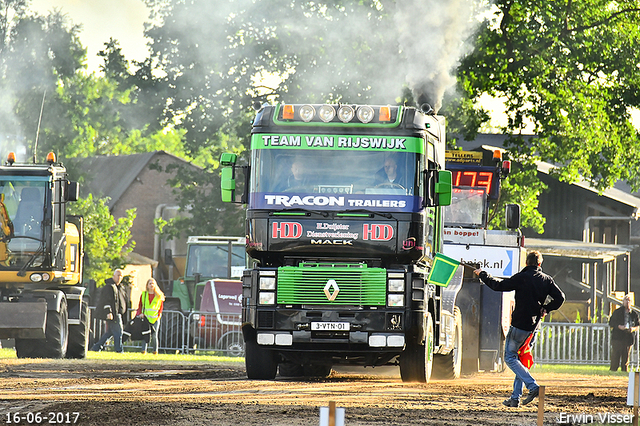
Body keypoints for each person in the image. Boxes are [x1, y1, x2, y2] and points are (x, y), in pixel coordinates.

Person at [473, 251, 565, 407]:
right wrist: (546, 308)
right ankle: (515, 398)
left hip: (519, 325)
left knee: (510, 357)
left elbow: (498, 286)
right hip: (533, 327)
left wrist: (483, 274)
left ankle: (533, 386)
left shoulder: (521, 277)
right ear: (540, 264)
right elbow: (561, 297)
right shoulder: (547, 280)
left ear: (527, 263)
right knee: (521, 361)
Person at [91, 269, 128, 353]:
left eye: (121, 275)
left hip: (118, 313)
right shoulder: (109, 287)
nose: (119, 277)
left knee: (109, 333)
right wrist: (109, 312)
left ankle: (96, 347)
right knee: (119, 331)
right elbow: (106, 301)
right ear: (113, 276)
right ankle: (119, 350)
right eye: (117, 275)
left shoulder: (120, 287)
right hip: (113, 314)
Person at [609, 294, 639, 372]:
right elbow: (611, 323)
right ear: (623, 302)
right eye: (626, 300)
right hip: (617, 337)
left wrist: (633, 329)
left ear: (631, 302)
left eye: (629, 300)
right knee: (616, 355)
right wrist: (619, 326)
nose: (627, 302)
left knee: (626, 356)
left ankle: (624, 371)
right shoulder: (617, 312)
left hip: (628, 338)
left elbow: (638, 325)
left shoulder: (634, 314)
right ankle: (613, 370)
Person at [135, 278, 165, 354]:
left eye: (153, 283)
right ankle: (143, 350)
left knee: (154, 335)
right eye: (150, 283)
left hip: (155, 319)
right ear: (147, 285)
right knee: (145, 334)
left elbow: (161, 307)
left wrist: (159, 315)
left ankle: (155, 351)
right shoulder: (144, 294)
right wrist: (139, 314)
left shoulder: (159, 295)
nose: (151, 285)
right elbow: (140, 306)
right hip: (146, 319)